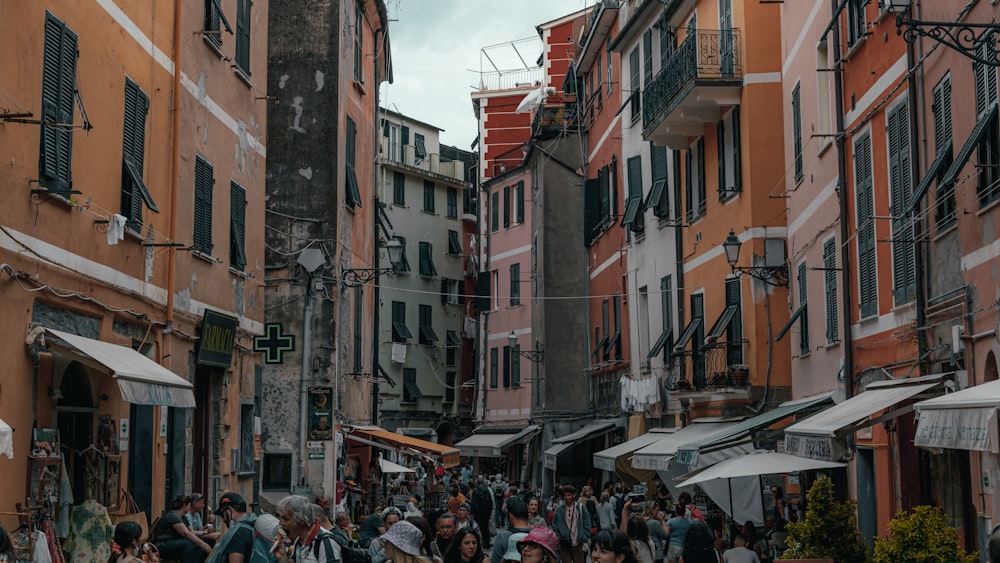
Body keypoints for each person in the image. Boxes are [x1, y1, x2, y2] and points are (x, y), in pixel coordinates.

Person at [273, 495, 340, 563]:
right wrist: (283, 558)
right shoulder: (298, 541)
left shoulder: (325, 542)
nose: (281, 523)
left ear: (301, 520)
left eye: (286, 519)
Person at [150, 495, 212, 561]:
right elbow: (186, 533)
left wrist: (203, 533)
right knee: (187, 545)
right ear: (185, 505)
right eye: (189, 504)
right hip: (162, 545)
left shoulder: (183, 517)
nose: (190, 506)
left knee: (196, 545)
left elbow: (191, 532)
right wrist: (203, 544)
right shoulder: (172, 516)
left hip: (173, 543)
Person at [206, 492, 256, 563]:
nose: (223, 520)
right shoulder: (251, 525)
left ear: (229, 511)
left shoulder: (238, 533)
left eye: (222, 515)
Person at [553, 485, 592, 563]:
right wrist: (559, 537)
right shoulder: (559, 510)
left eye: (569, 495)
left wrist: (584, 537)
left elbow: (587, 522)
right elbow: (555, 525)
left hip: (578, 542)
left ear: (573, 495)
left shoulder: (580, 507)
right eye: (565, 495)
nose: (567, 497)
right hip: (564, 542)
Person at [491, 498, 532, 563]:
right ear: (529, 516)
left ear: (510, 516)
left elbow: (495, 561)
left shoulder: (503, 537)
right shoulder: (536, 536)